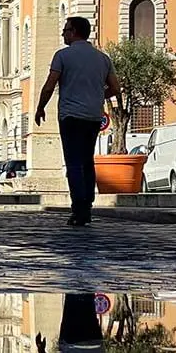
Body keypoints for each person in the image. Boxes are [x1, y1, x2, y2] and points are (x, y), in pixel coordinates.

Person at [34, 16, 122, 227]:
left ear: (74, 32)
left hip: (70, 116)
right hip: (93, 116)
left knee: (73, 163)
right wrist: (98, 95)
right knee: (87, 161)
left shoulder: (62, 56)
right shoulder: (103, 58)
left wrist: (40, 107)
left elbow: (49, 85)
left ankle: (78, 209)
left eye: (66, 30)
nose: (63, 33)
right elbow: (116, 88)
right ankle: (88, 206)